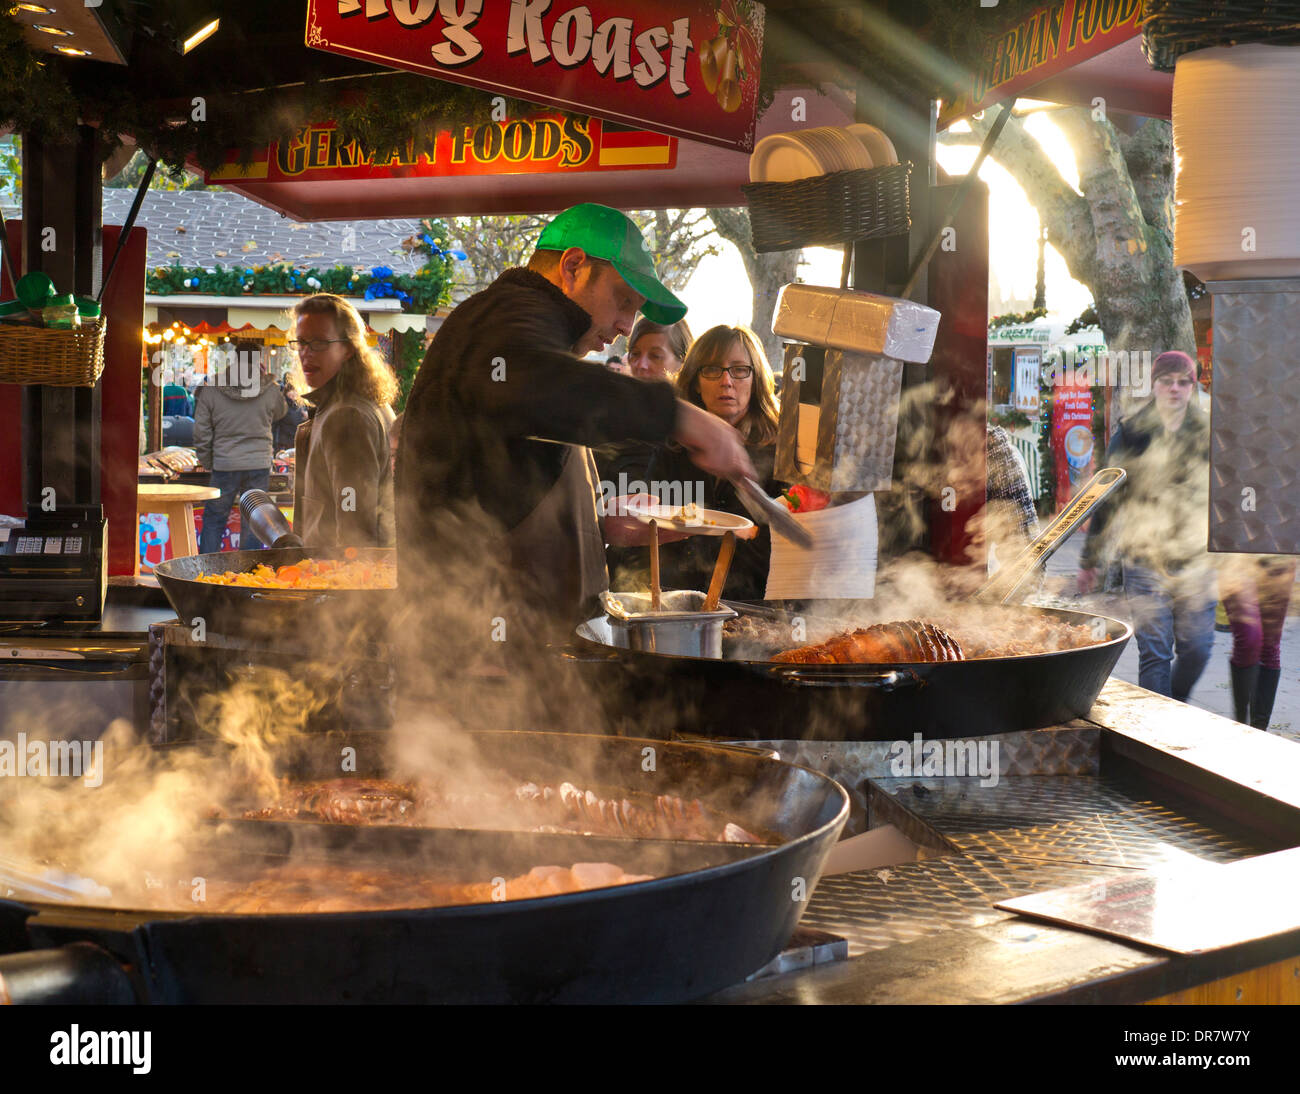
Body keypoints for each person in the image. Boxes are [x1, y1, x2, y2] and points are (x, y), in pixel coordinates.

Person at [396, 203, 753, 636]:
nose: (625, 326)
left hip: (530, 639)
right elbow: (544, 386)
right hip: (482, 648)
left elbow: (510, 476)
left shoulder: (538, 335)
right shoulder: (505, 317)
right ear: (573, 266)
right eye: (623, 301)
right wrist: (678, 416)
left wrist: (599, 523)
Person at [1079, 351, 1214, 701]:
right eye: (1167, 381)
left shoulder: (1208, 432)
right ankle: (1159, 732)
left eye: (1183, 382)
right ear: (1153, 385)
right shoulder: (1132, 431)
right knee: (1155, 652)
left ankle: (1174, 705)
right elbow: (1105, 496)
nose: (1175, 389)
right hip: (1143, 556)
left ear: (1192, 387)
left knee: (1198, 649)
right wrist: (1090, 561)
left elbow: (1225, 493)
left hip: (1195, 557)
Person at [628, 325, 781, 601]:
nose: (726, 381)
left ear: (756, 378)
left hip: (755, 609)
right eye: (712, 370)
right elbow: (650, 527)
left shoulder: (782, 452)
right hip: (677, 601)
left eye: (739, 369)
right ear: (696, 382)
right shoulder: (671, 449)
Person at [289, 294, 397, 547]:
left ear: (348, 348)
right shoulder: (356, 403)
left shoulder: (347, 417)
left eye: (319, 343)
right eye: (302, 342)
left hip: (342, 578)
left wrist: (345, 582)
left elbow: (355, 522)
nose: (306, 353)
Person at [193, 344, 286, 553]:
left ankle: (205, 571)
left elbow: (201, 430)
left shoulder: (214, 387)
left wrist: (208, 460)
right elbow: (281, 411)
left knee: (214, 519)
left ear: (235, 358)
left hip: (225, 463)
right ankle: (249, 573)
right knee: (255, 520)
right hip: (258, 463)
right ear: (258, 359)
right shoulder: (270, 388)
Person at [596, 317, 695, 489]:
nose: (641, 365)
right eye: (635, 354)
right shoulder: (609, 422)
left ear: (683, 362)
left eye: (655, 356)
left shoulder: (690, 437)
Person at [1220, 554, 1295, 729]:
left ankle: (1259, 731)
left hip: (1280, 550)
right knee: (1248, 639)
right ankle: (1240, 722)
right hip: (1236, 551)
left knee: (1270, 645)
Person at [274, 377, 308, 452]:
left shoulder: (302, 404)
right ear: (286, 392)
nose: (294, 393)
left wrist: (307, 418)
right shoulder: (282, 405)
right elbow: (275, 425)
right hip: (284, 444)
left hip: (299, 442)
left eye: (296, 391)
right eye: (291, 390)